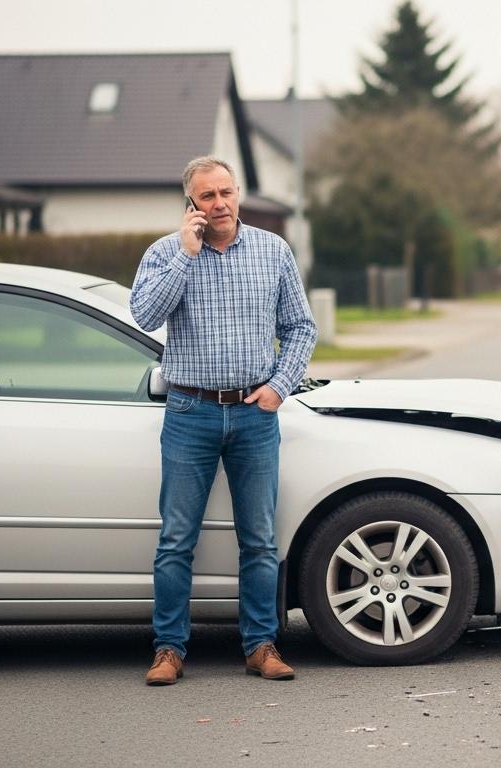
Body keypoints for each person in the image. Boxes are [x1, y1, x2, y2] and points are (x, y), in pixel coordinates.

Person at [130, 156, 317, 686]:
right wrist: (186, 256)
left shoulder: (272, 250)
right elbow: (144, 317)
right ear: (190, 203)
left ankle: (260, 646)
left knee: (259, 539)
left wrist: (279, 388)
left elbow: (301, 327)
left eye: (227, 193)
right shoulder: (165, 254)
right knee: (176, 540)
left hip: (254, 416)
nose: (220, 205)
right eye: (207, 197)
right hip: (189, 411)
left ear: (238, 194)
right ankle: (169, 650)